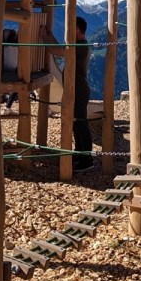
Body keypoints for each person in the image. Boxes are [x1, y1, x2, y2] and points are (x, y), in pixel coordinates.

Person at [41, 16, 93, 171]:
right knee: (76, 122)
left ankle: (87, 159)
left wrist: (44, 37)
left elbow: (57, 50)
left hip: (79, 90)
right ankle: (79, 152)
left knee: (81, 122)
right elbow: (59, 48)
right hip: (75, 89)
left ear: (77, 29)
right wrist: (50, 35)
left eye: (70, 27)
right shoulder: (78, 44)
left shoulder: (80, 46)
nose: (67, 31)